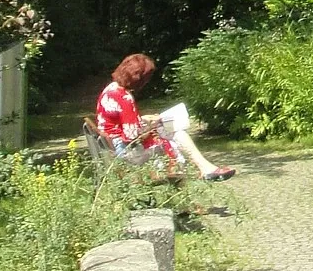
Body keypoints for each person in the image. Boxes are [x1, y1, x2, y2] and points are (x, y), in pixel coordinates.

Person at [95, 54, 235, 181]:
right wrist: (153, 125)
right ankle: (197, 180)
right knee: (174, 141)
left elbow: (117, 121)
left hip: (113, 147)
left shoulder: (111, 89)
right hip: (125, 152)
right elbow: (131, 137)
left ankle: (206, 169)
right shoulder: (125, 98)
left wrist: (144, 120)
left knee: (175, 133)